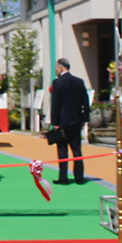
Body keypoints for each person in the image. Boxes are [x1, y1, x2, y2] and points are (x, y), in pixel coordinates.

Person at [50, 57, 90, 185]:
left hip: (63, 122)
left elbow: (55, 104)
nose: (56, 70)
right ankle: (79, 177)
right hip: (76, 121)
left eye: (56, 68)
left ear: (61, 67)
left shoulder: (58, 83)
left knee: (62, 150)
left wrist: (55, 122)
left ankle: (63, 177)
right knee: (77, 149)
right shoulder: (79, 82)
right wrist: (84, 119)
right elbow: (86, 102)